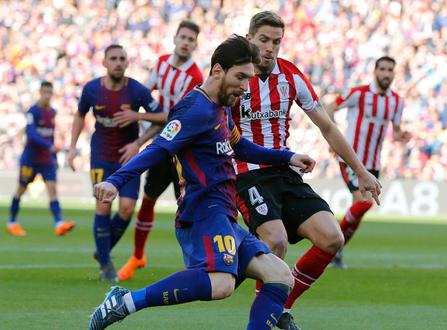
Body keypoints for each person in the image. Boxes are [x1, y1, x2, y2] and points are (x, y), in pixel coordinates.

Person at [88, 35, 316, 330]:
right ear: (218, 71)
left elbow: (240, 147)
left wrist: (287, 157)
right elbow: (159, 147)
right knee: (221, 284)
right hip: (201, 212)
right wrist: (116, 182)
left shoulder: (221, 106)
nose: (245, 88)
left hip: (224, 214)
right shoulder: (195, 109)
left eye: (249, 79)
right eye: (240, 78)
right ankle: (125, 302)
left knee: (280, 276)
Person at [232, 11, 382, 329]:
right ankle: (255, 301)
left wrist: (362, 172)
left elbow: (327, 126)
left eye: (277, 41)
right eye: (264, 40)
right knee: (276, 242)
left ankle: (278, 307)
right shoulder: (234, 78)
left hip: (285, 172)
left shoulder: (291, 77)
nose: (270, 48)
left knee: (331, 238)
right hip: (248, 174)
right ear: (249, 40)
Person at [114, 20, 204, 281]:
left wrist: (137, 119)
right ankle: (138, 256)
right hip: (161, 146)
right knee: (149, 199)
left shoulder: (194, 77)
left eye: (191, 39)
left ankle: (196, 262)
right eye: (183, 37)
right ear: (175, 38)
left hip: (183, 150)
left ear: (195, 45)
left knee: (186, 206)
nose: (186, 42)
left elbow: (175, 117)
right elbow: (145, 94)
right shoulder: (162, 63)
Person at [67, 44, 166, 282]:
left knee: (127, 208)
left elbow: (164, 117)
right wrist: (71, 148)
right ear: (104, 62)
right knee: (103, 205)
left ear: (127, 63)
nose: (119, 62)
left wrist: (138, 131)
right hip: (100, 155)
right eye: (113, 58)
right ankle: (105, 264)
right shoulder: (91, 89)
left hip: (128, 158)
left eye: (123, 58)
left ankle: (102, 250)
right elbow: (80, 115)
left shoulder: (136, 90)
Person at [326, 56, 411, 268]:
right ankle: (329, 244)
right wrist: (332, 137)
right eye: (382, 69)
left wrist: (402, 136)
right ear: (375, 71)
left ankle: (335, 249)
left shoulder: (397, 102)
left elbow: (397, 130)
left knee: (361, 207)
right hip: (351, 158)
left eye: (390, 70)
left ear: (394, 73)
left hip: (373, 164)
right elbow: (329, 107)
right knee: (364, 202)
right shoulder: (359, 94)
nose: (386, 73)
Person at [6, 81, 76, 237]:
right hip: (30, 158)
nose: (47, 95)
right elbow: (31, 134)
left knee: (52, 189)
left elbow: (49, 136)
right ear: (40, 92)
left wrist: (53, 156)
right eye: (44, 92)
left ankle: (59, 224)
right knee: (21, 189)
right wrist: (48, 146)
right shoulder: (33, 111)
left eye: (49, 93)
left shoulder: (52, 112)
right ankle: (12, 222)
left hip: (46, 160)